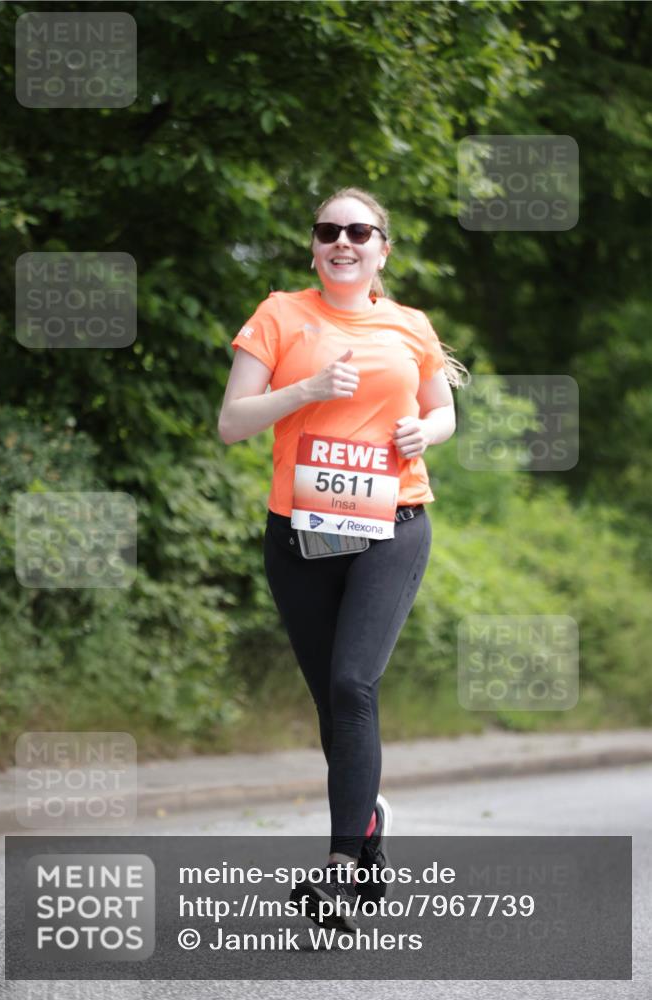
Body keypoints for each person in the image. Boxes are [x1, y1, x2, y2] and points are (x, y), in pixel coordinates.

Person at [218, 187, 467, 932]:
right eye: (328, 230)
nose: (342, 240)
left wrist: (429, 431)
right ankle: (366, 822)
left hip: (392, 524)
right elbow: (232, 422)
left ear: (381, 247)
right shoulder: (278, 316)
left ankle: (336, 871)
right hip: (301, 532)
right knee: (334, 702)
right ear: (314, 246)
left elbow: (443, 409)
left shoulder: (409, 325)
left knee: (355, 683)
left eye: (358, 230)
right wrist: (309, 389)